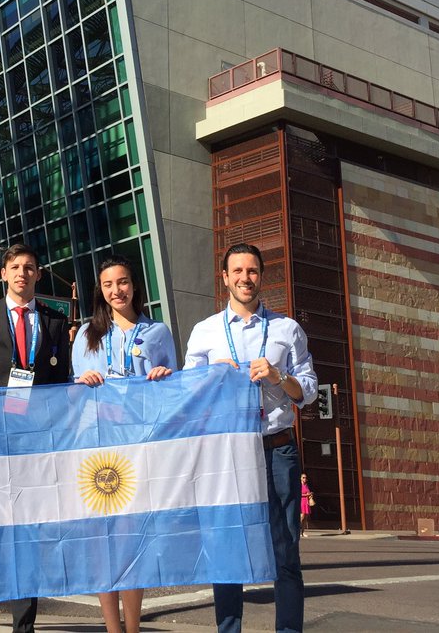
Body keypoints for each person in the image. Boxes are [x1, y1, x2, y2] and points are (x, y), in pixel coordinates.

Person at [183, 243, 317, 633]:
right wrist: (211, 376)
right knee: (227, 551)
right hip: (227, 455)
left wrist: (279, 376)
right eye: (237, 271)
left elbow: (307, 391)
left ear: (262, 275)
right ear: (224, 277)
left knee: (286, 550)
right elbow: (189, 395)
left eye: (253, 271)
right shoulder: (204, 331)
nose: (245, 278)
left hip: (277, 449)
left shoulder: (286, 329)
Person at [0, 242, 73, 633]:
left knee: (28, 537)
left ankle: (23, 627)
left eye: (30, 267)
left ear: (38, 275)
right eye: (15, 266)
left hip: (35, 445)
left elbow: (62, 385)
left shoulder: (56, 321)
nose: (22, 273)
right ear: (3, 274)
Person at [72, 254, 175, 633]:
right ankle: (112, 628)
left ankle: (132, 628)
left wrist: (165, 376)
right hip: (98, 449)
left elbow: (175, 394)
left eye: (124, 282)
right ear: (100, 290)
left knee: (133, 541)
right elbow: (72, 396)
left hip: (140, 448)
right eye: (109, 284)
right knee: (103, 543)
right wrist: (81, 383)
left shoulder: (158, 332)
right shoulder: (87, 335)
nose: (117, 290)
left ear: (135, 285)